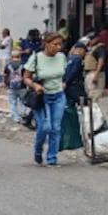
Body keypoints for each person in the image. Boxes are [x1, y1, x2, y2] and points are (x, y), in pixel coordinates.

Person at [24, 32, 68, 166]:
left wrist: (63, 84)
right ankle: (38, 151)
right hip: (41, 97)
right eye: (55, 44)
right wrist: (35, 85)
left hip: (59, 95)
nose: (58, 47)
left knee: (55, 128)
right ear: (46, 44)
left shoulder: (61, 57)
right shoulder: (36, 58)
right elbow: (26, 77)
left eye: (60, 44)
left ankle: (52, 158)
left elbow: (63, 74)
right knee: (44, 127)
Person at [4, 53, 26, 123]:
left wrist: (5, 83)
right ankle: (23, 113)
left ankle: (16, 117)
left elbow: (5, 75)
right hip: (22, 86)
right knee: (23, 101)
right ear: (19, 56)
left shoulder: (8, 65)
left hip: (11, 87)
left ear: (12, 57)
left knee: (12, 103)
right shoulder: (23, 65)